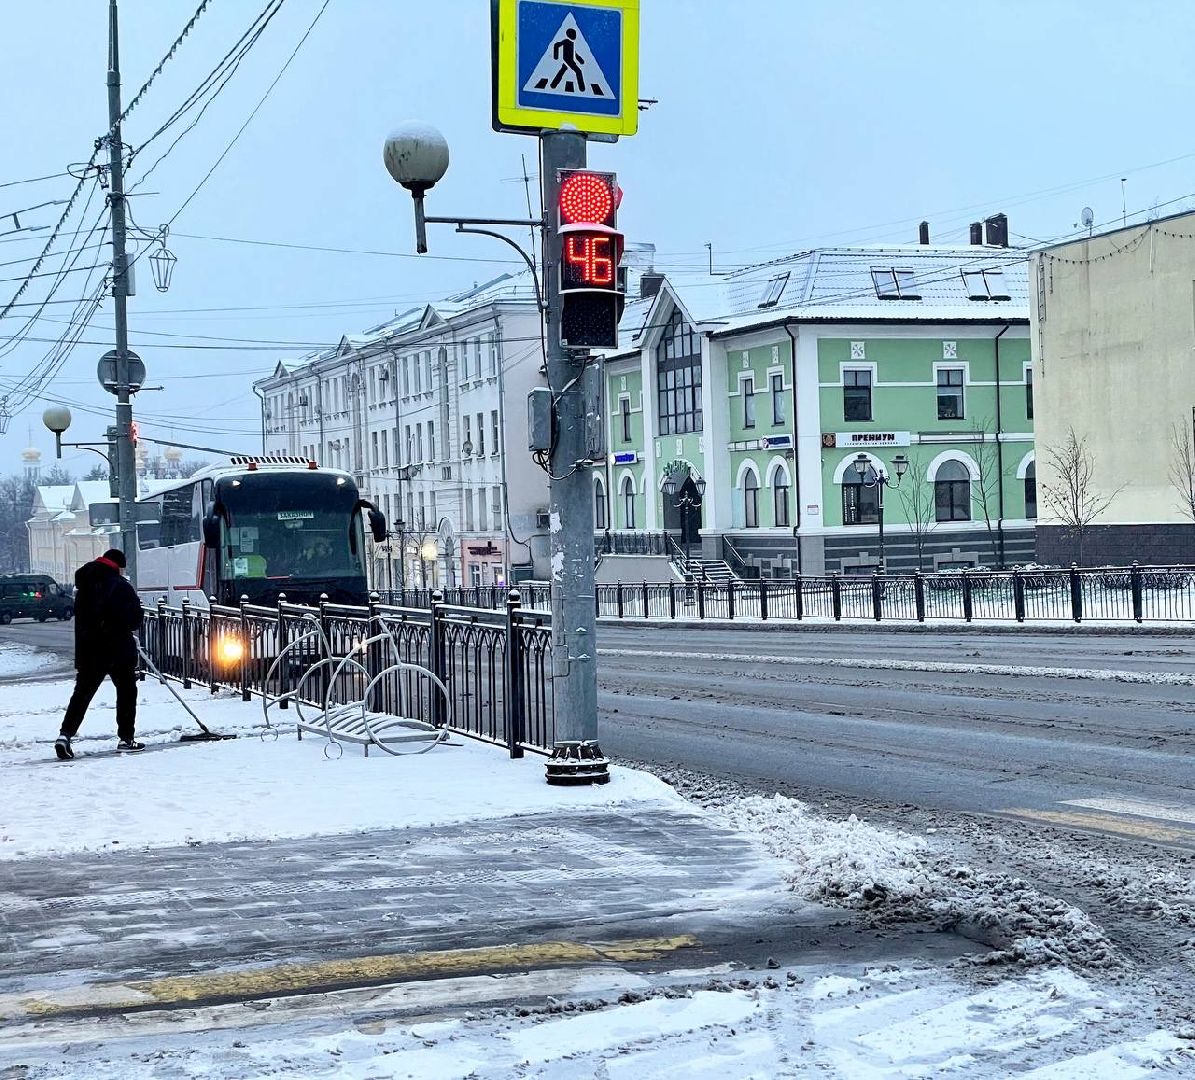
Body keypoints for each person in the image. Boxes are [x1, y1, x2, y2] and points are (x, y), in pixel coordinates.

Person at [55, 548, 145, 759]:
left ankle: (65, 736)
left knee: (82, 695)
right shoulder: (120, 586)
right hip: (117, 650)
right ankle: (126, 738)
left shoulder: (84, 585)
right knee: (126, 692)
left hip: (89, 650)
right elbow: (132, 619)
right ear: (118, 566)